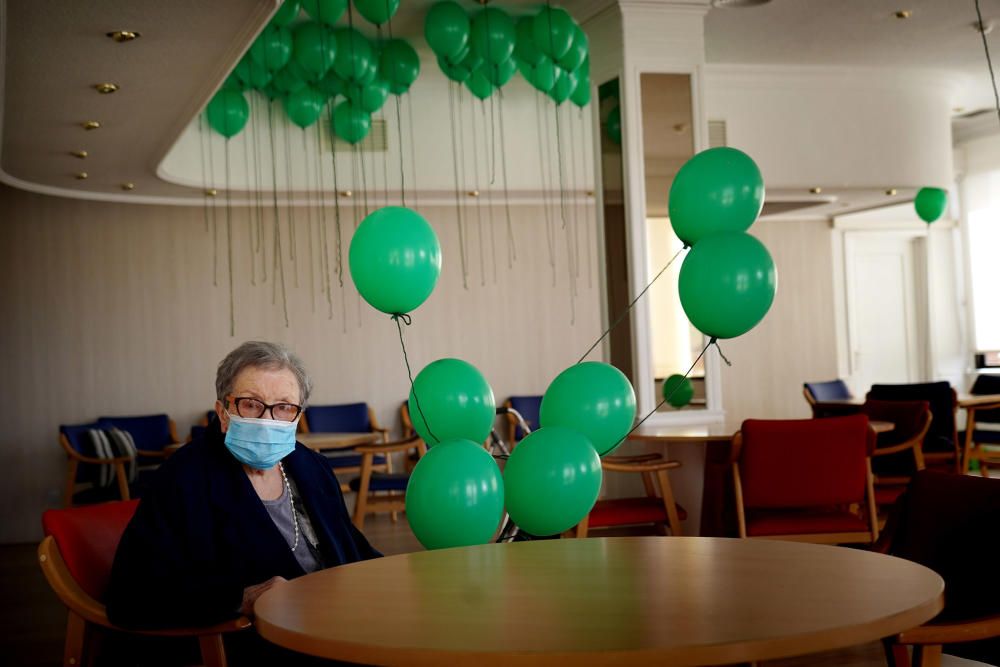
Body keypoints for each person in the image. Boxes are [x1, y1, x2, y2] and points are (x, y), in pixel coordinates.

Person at [106, 341, 379, 631]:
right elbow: (131, 594)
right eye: (250, 404)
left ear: (298, 417)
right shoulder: (182, 478)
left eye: (284, 407)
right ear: (223, 413)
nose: (267, 420)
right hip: (261, 636)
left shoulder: (312, 466)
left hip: (339, 615)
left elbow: (353, 548)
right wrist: (240, 598)